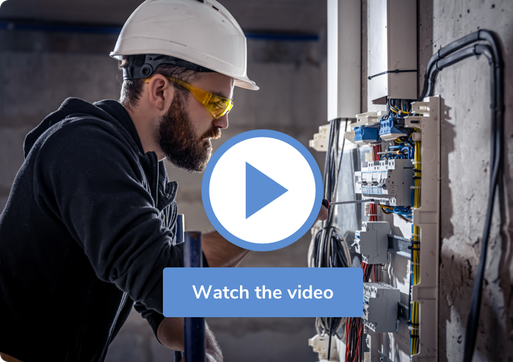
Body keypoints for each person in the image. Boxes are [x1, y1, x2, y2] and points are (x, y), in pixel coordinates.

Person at [0, 0, 327, 361]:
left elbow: (160, 300)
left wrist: (198, 343)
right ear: (159, 91)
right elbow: (163, 279)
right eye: (216, 103)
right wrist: (269, 218)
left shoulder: (146, 172)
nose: (223, 123)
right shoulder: (83, 149)